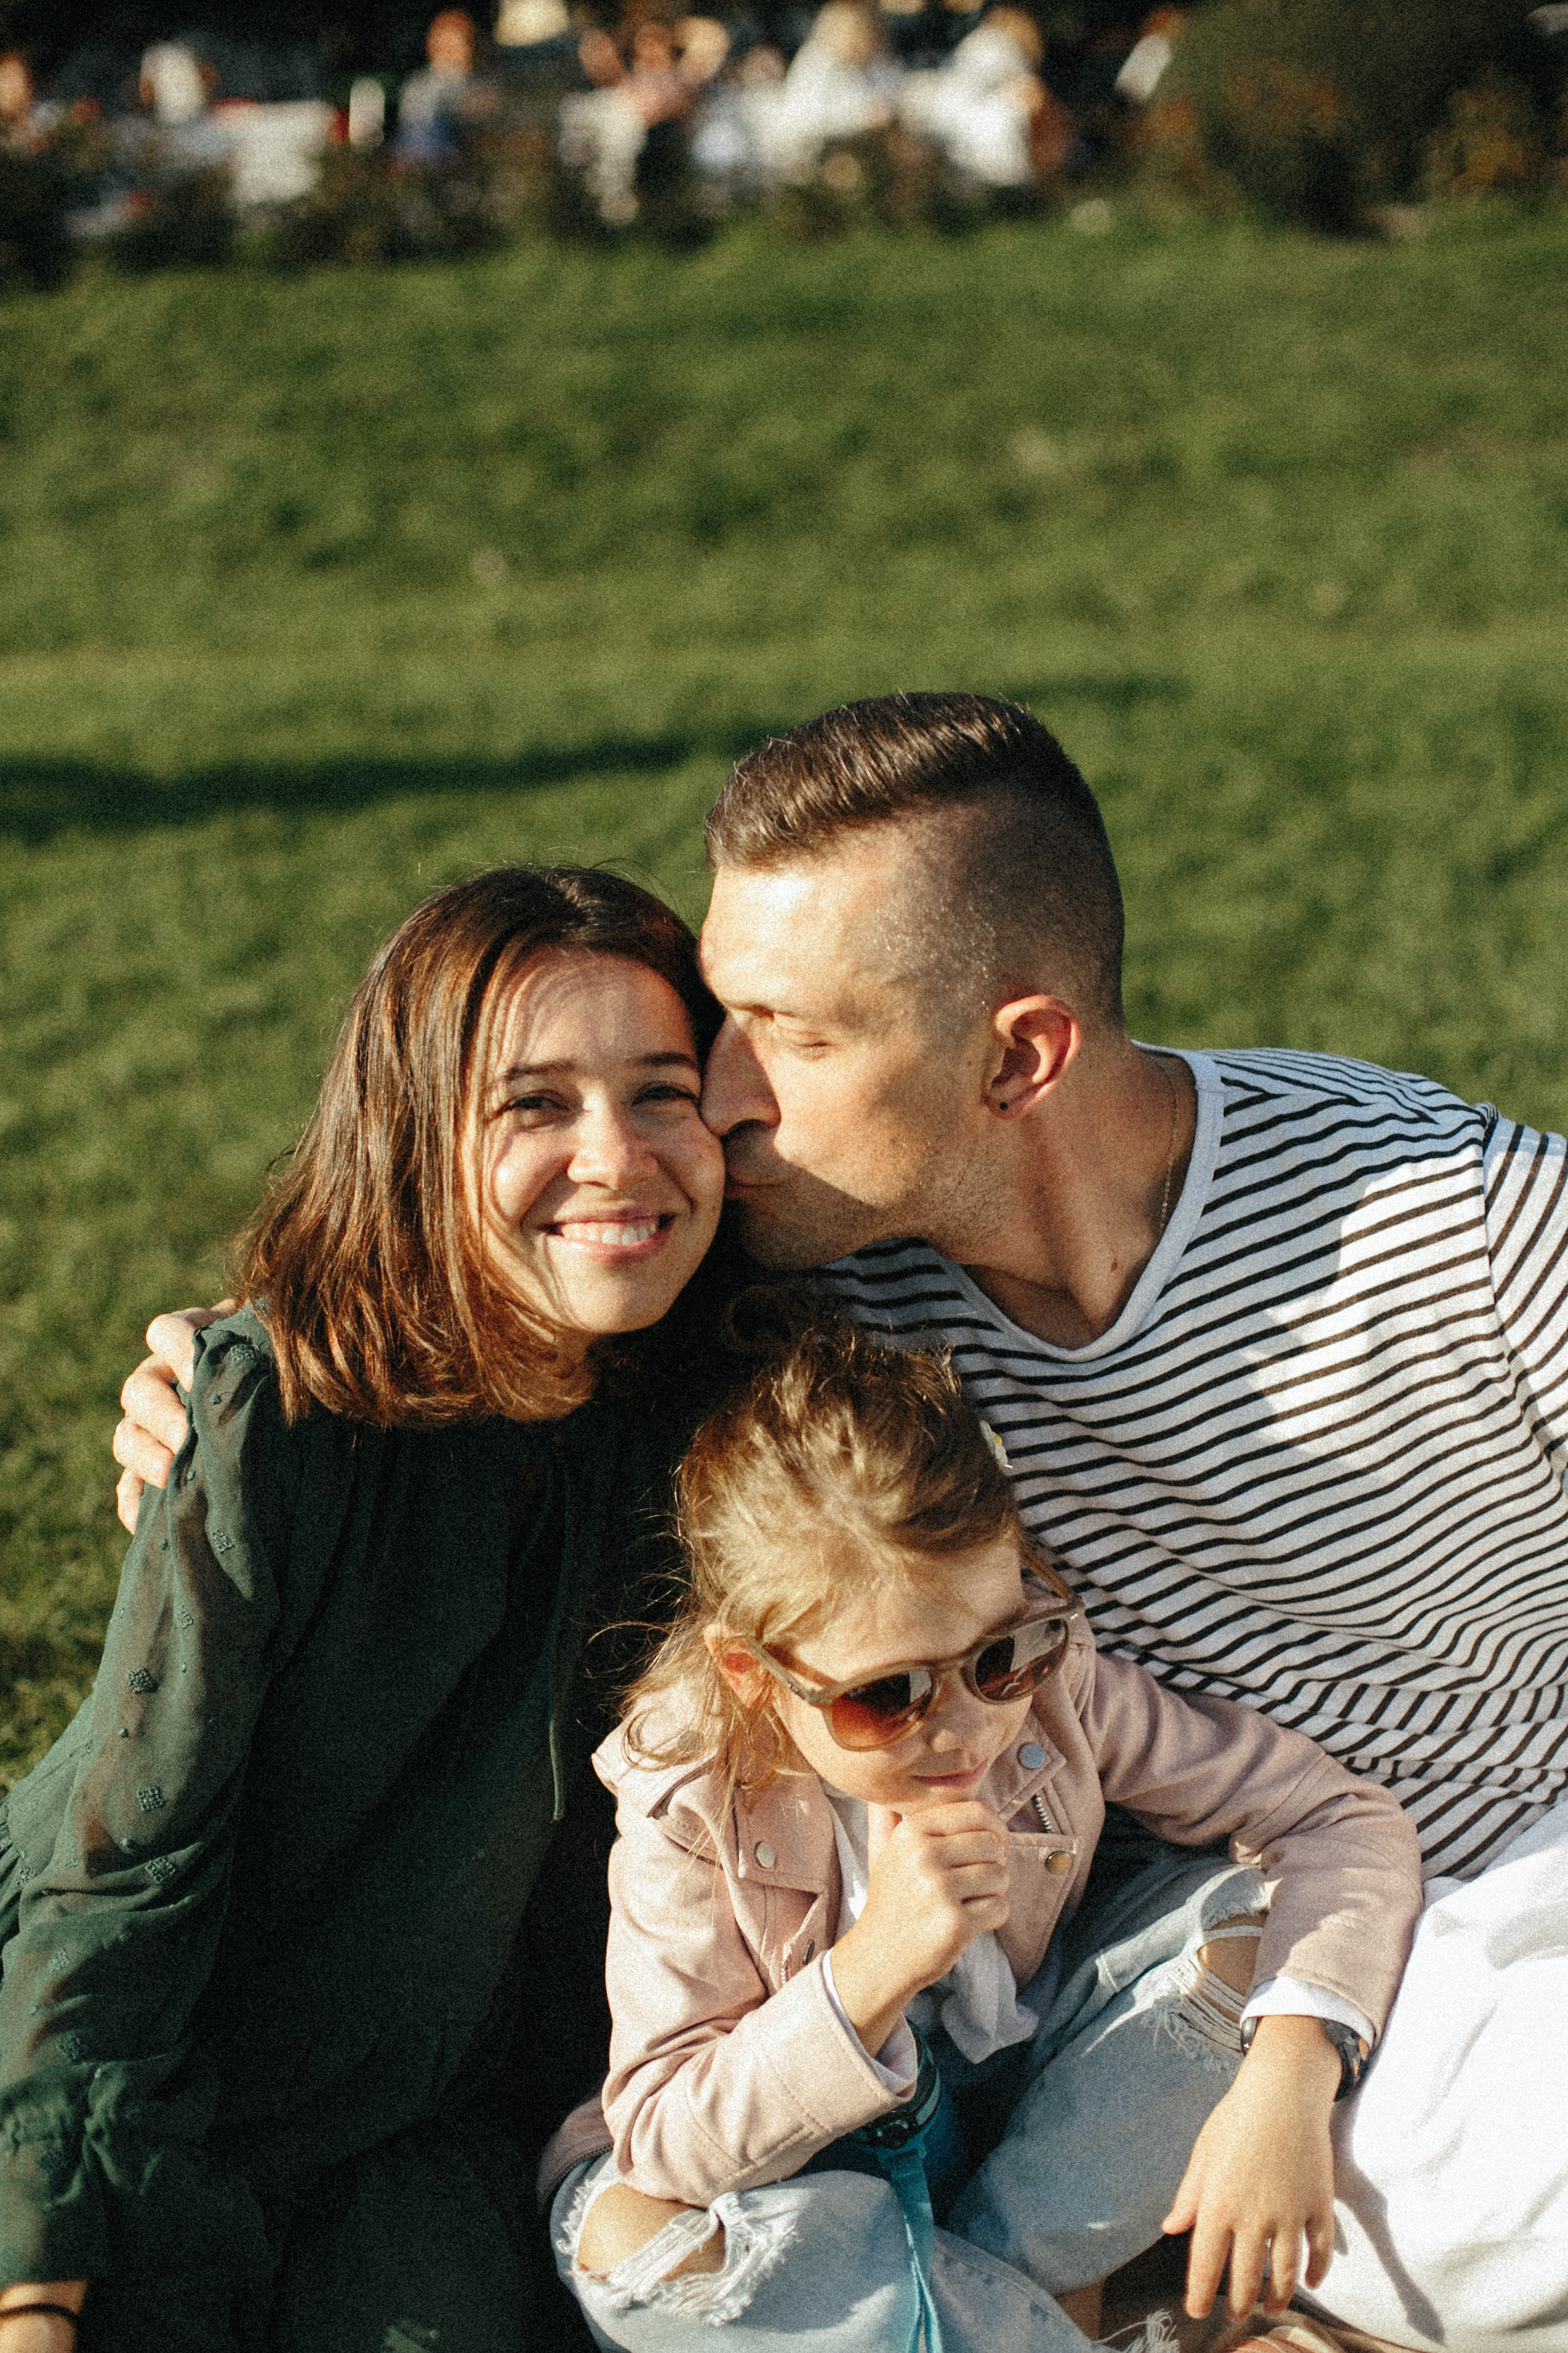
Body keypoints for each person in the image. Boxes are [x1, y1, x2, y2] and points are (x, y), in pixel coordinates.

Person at [116, 692, 1568, 2349]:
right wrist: (239, 1373)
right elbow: (487, 1257)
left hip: (1490, 1872)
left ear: (1018, 1056)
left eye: (790, 1038)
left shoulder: (1452, 1212)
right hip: (1112, 1961)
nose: (714, 1101)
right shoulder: (817, 1274)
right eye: (723, 1020)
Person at [0, 866, 735, 2353]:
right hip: (153, 2045)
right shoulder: (278, 1417)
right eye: (536, 1105)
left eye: (666, 1094)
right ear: (415, 1131)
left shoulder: (717, 1420)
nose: (619, 1157)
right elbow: (125, 1868)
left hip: (438, 2109)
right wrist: (37, 2283)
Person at [544, 1320, 1421, 2352]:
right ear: (752, 1674)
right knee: (625, 2241)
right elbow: (661, 2141)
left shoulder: (1058, 1691)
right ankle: (1054, 2322)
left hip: (1029, 2143)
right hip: (806, 2186)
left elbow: (1332, 1817)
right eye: (886, 1696)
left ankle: (997, 2297)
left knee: (1247, 1925)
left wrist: (1287, 2072)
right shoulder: (687, 1795)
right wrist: (869, 1970)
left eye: (998, 1655)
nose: (965, 1727)